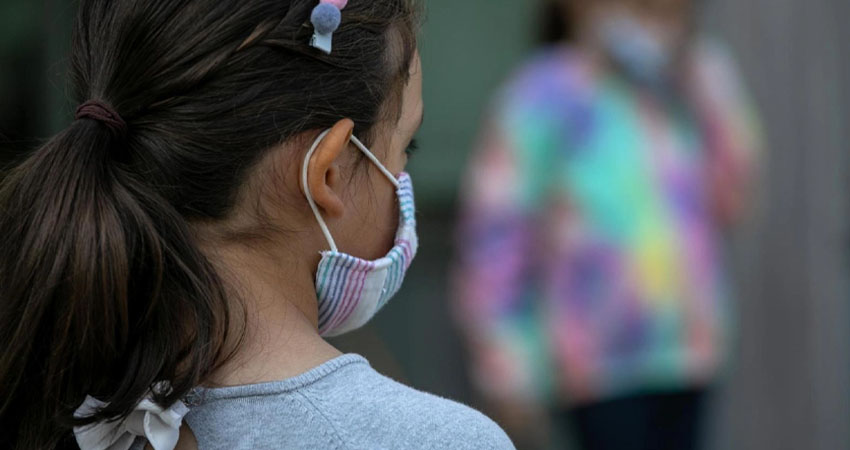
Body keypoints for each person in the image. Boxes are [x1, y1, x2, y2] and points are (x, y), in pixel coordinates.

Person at [0, 1, 515, 449]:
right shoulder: (436, 441)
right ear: (328, 172)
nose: (401, 180)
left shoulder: (71, 410)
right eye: (406, 148)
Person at [452, 0, 762, 449]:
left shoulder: (681, 85)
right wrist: (506, 364)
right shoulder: (543, 91)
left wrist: (704, 75)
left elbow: (734, 198)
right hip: (598, 367)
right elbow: (495, 236)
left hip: (689, 355)